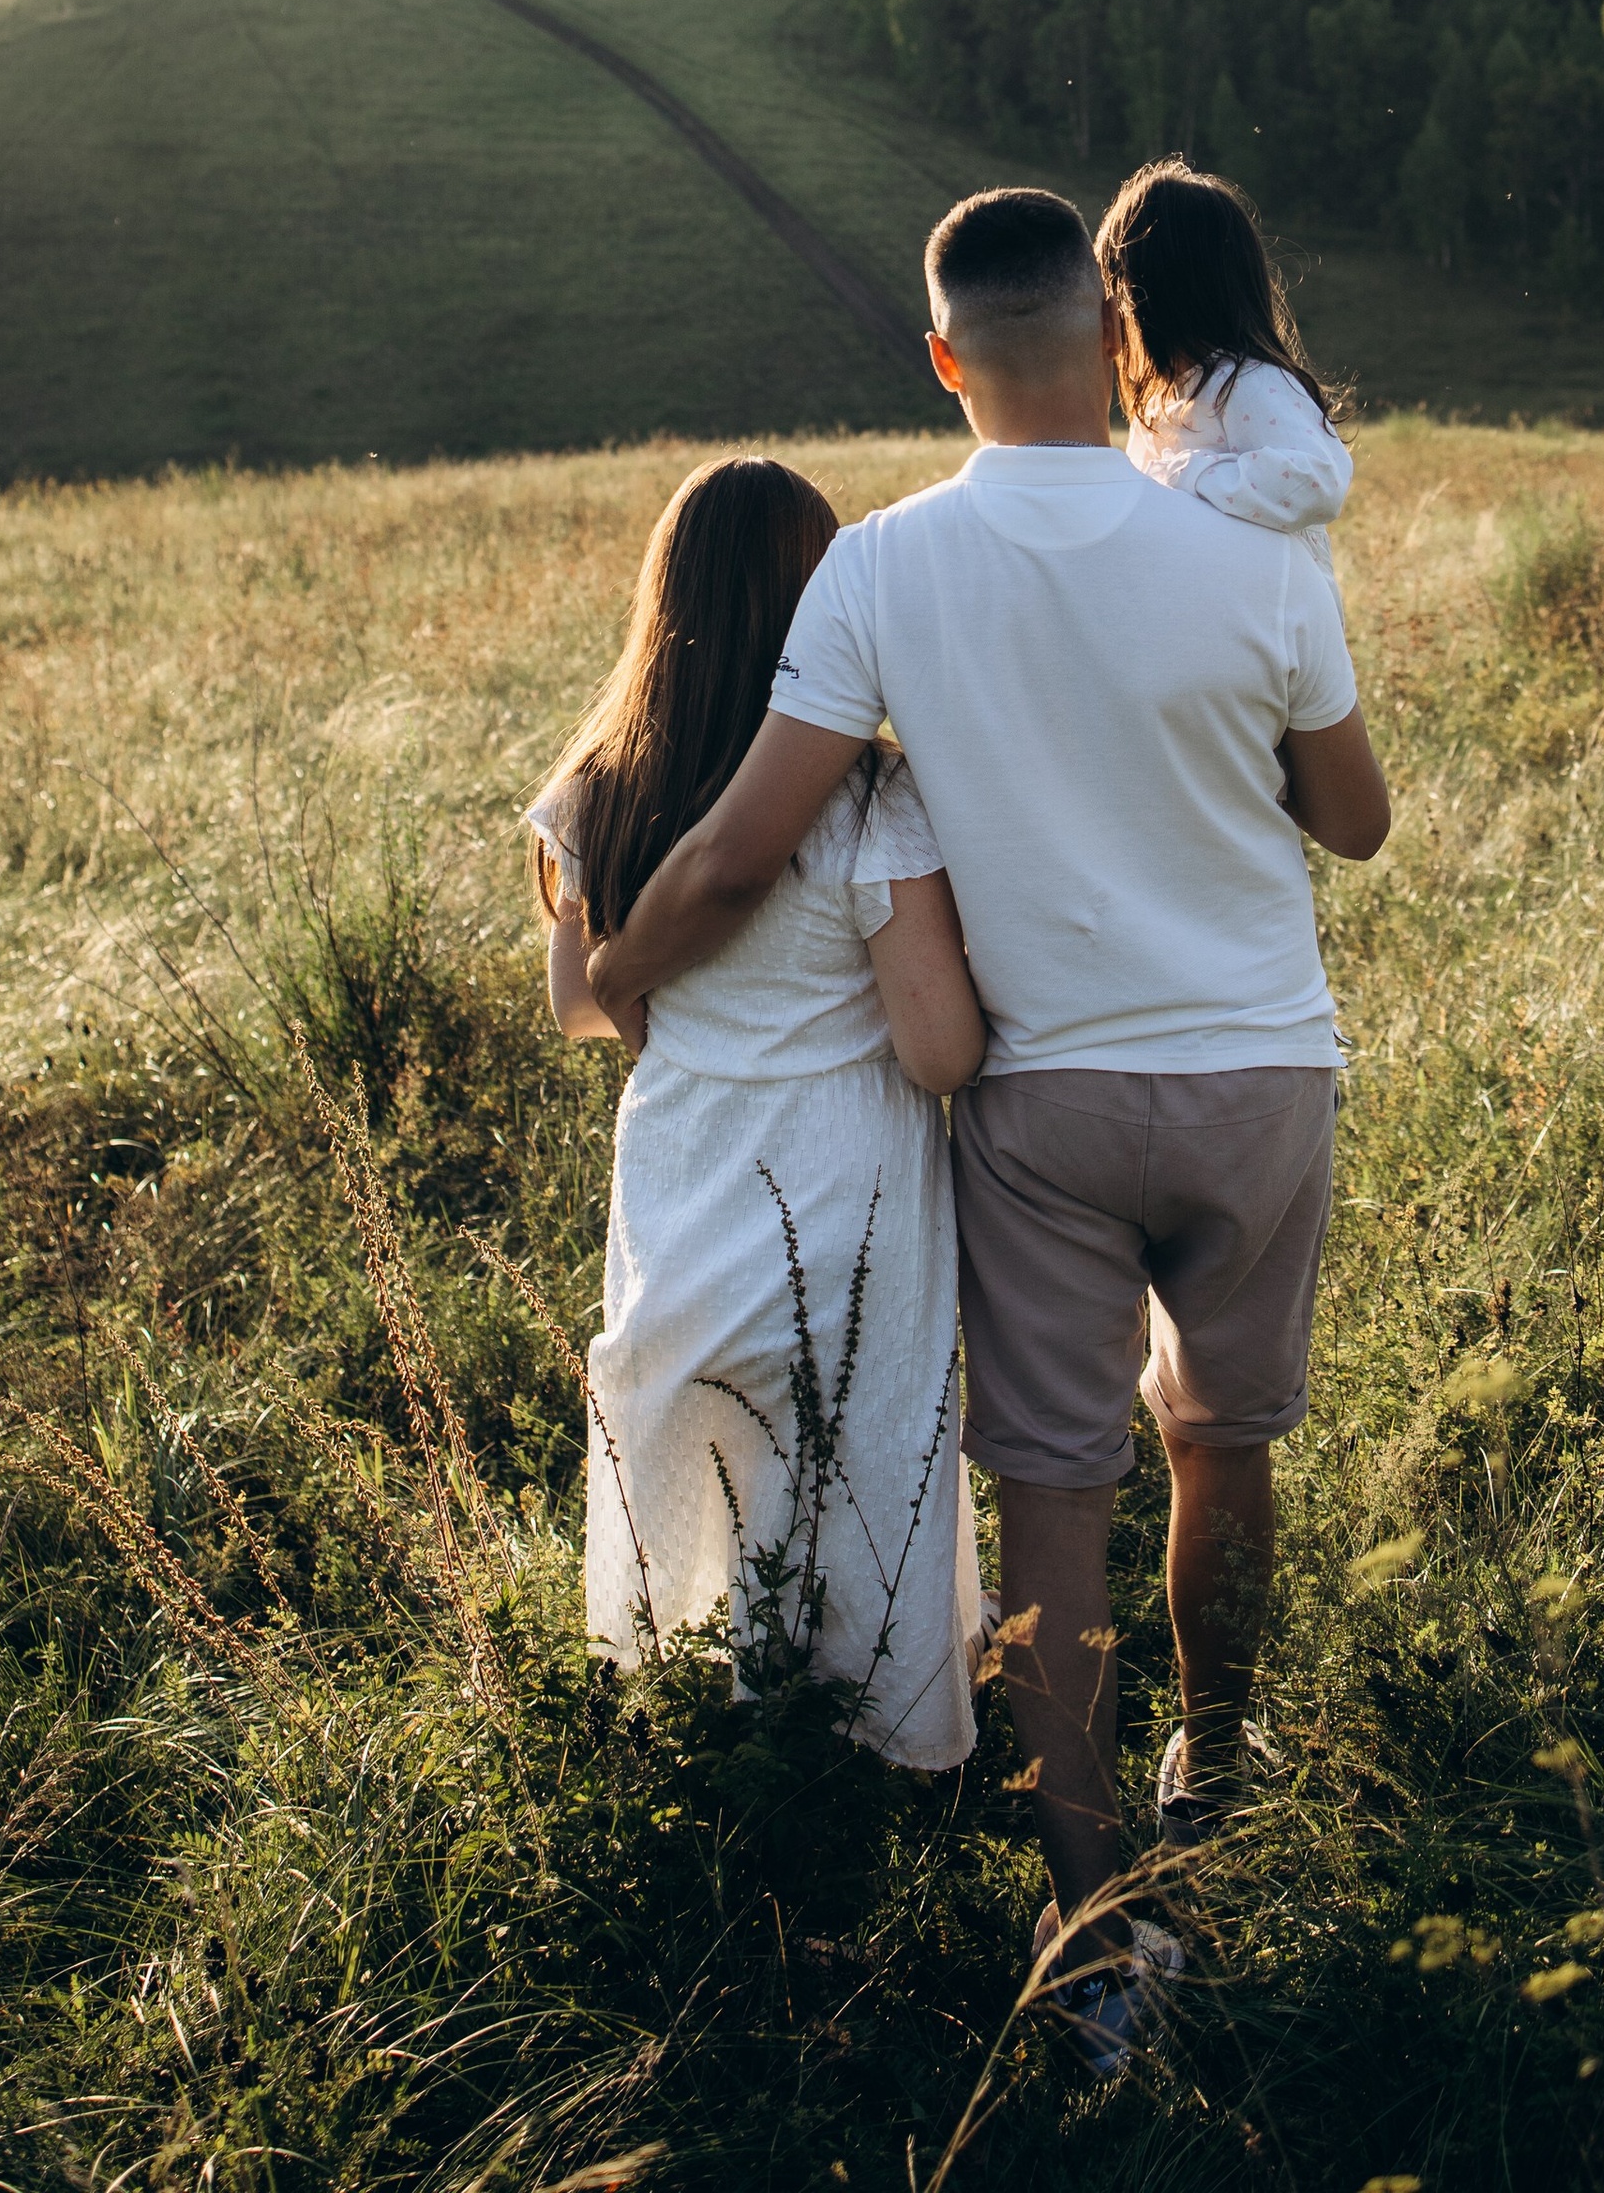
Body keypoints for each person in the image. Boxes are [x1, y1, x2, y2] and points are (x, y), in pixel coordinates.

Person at [589, 194, 1390, 2080]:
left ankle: (1097, 1936)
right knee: (1227, 1444)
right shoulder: (1255, 549)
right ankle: (1224, 1756)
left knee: (1053, 1497)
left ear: (943, 359)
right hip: (1262, 1072)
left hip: (1042, 1107)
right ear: (1114, 339)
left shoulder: (878, 572)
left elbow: (742, 845)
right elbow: (1353, 821)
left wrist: (624, 975)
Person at [529, 454, 989, 1772]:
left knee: (690, 1426)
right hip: (851, 1174)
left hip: (686, 1159)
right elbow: (941, 1049)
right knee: (865, 1444)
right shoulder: (869, 802)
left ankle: (679, 1702)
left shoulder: (593, 790)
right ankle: (882, 1735)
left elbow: (580, 1009)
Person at [1096, 157, 1352, 572]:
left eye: (1111, 290)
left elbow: (1319, 480)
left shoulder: (1249, 382)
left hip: (1277, 624)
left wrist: (1188, 474)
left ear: (1142, 293)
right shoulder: (1160, 406)